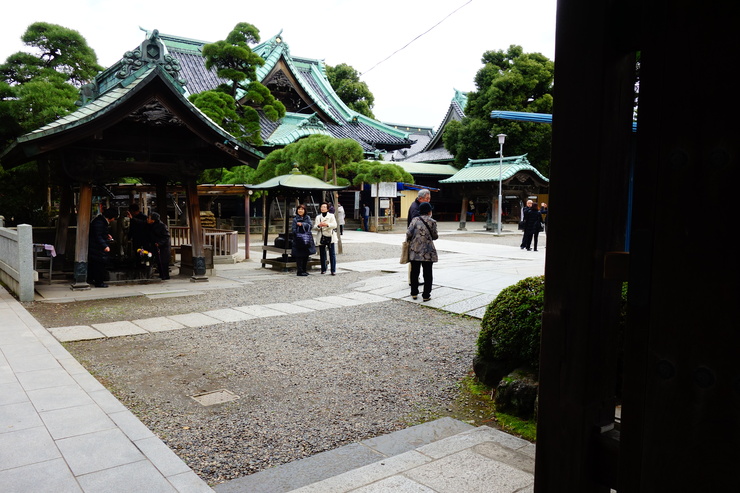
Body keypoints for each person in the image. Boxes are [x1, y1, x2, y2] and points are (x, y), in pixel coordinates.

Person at [407, 201, 438, 301]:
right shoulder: (432, 222)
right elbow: (435, 236)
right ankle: (426, 295)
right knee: (428, 273)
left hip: (415, 250)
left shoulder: (414, 220)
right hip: (428, 251)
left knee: (415, 272)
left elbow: (408, 233)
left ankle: (414, 293)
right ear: (429, 211)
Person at [88, 208, 117, 288]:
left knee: (97, 265)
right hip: (97, 248)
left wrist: (106, 236)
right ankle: (99, 282)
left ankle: (96, 280)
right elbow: (98, 236)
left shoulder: (100, 221)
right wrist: (105, 245)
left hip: (97, 247)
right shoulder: (99, 222)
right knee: (99, 265)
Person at [313, 202, 338, 275]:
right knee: (322, 254)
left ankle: (333, 270)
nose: (323, 208)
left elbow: (335, 225)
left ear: (327, 208)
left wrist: (327, 224)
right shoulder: (318, 217)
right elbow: (315, 227)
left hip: (330, 236)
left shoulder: (331, 216)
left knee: (332, 254)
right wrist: (319, 226)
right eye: (321, 207)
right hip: (321, 236)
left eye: (324, 207)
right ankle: (323, 268)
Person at [291, 204, 314, 276]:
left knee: (306, 255)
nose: (300, 211)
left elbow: (310, 226)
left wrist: (303, 224)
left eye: (302, 209)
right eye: (299, 209)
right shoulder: (295, 219)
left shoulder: (307, 218)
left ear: (304, 210)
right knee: (299, 256)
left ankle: (304, 269)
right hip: (298, 239)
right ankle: (299, 271)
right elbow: (293, 229)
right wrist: (298, 230)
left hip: (306, 239)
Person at [147, 212, 171, 280]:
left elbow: (166, 236)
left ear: (153, 219)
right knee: (158, 261)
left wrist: (160, 243)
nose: (147, 219)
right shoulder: (151, 225)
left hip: (163, 247)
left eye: (149, 218)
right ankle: (161, 275)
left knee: (163, 262)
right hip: (156, 245)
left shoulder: (162, 226)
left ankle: (165, 276)